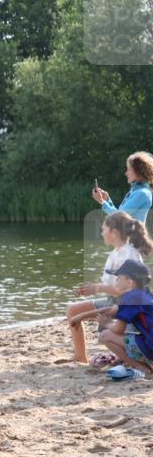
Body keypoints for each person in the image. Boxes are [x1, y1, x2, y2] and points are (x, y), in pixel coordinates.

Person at [66, 212, 152, 364]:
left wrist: (97, 288)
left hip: (124, 305)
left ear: (114, 232)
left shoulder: (128, 254)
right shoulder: (115, 253)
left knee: (101, 328)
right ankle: (80, 356)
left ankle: (134, 360)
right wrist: (93, 288)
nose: (101, 233)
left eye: (104, 229)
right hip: (113, 301)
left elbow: (125, 290)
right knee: (73, 310)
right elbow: (114, 285)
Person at [71, 260, 153, 379]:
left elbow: (118, 329)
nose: (116, 280)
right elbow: (112, 310)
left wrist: (107, 323)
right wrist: (82, 316)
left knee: (105, 335)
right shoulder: (143, 294)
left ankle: (141, 368)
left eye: (118, 278)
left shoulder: (130, 298)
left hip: (150, 347)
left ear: (129, 282)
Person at [92, 151, 153, 225]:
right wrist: (107, 201)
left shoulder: (142, 193)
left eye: (129, 169)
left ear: (138, 172)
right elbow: (119, 214)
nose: (126, 173)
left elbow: (120, 217)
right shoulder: (137, 192)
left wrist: (102, 201)